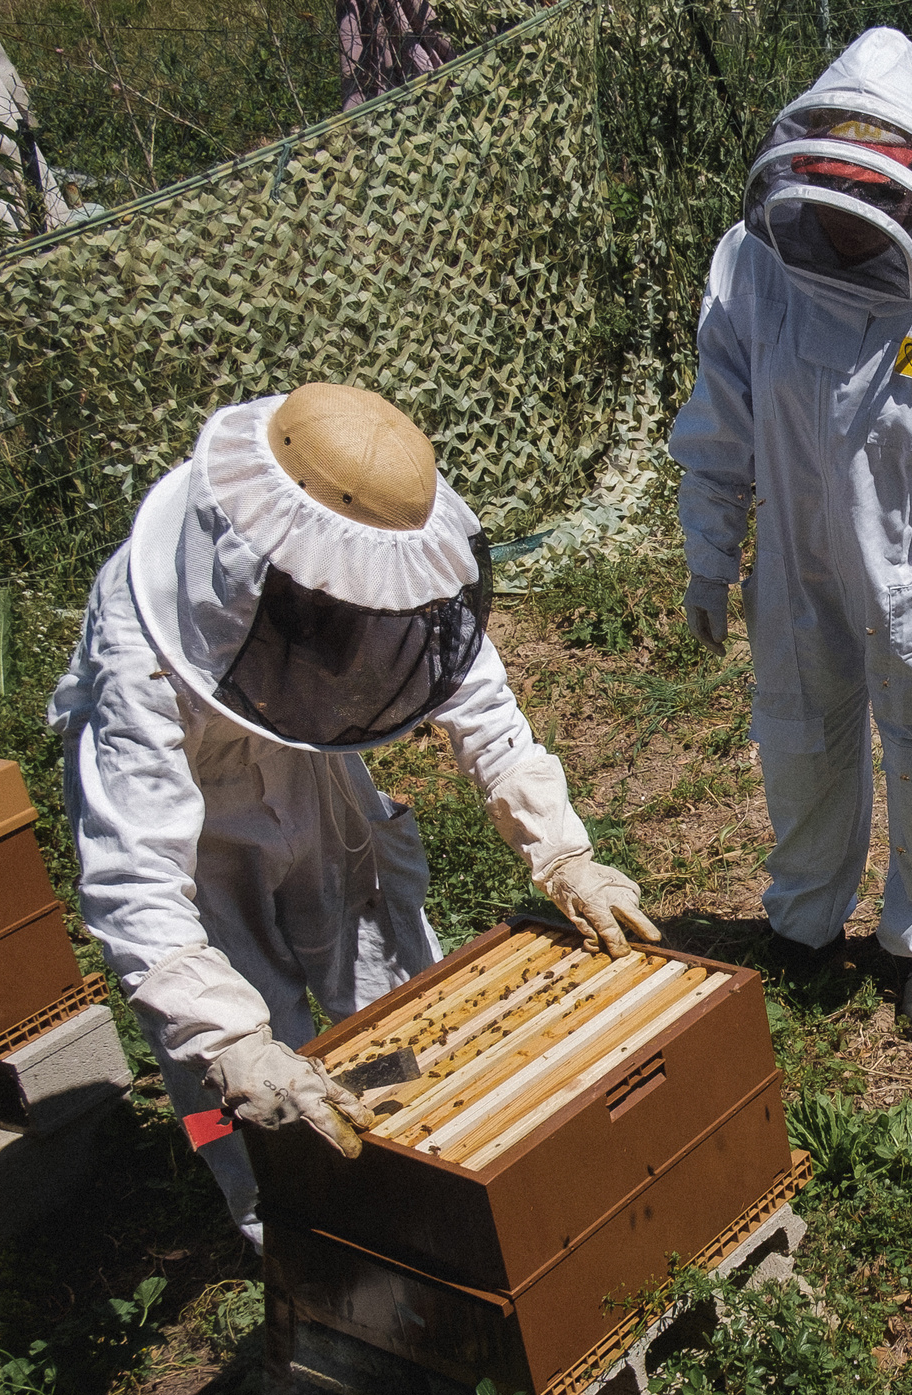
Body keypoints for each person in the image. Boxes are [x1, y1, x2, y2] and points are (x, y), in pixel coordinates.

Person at [50, 383, 660, 1246]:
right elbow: (134, 884)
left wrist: (562, 853)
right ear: (280, 568)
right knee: (228, 1074)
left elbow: (477, 699)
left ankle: (432, 1167)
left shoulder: (382, 553)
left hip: (311, 772)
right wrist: (230, 1040)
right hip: (192, 820)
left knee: (393, 982)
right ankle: (270, 1223)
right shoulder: (141, 648)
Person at [669, 25, 912, 1042]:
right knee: (799, 743)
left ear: (906, 184)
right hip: (797, 567)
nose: (841, 237)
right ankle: (803, 924)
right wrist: (711, 556)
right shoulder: (752, 270)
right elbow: (722, 422)